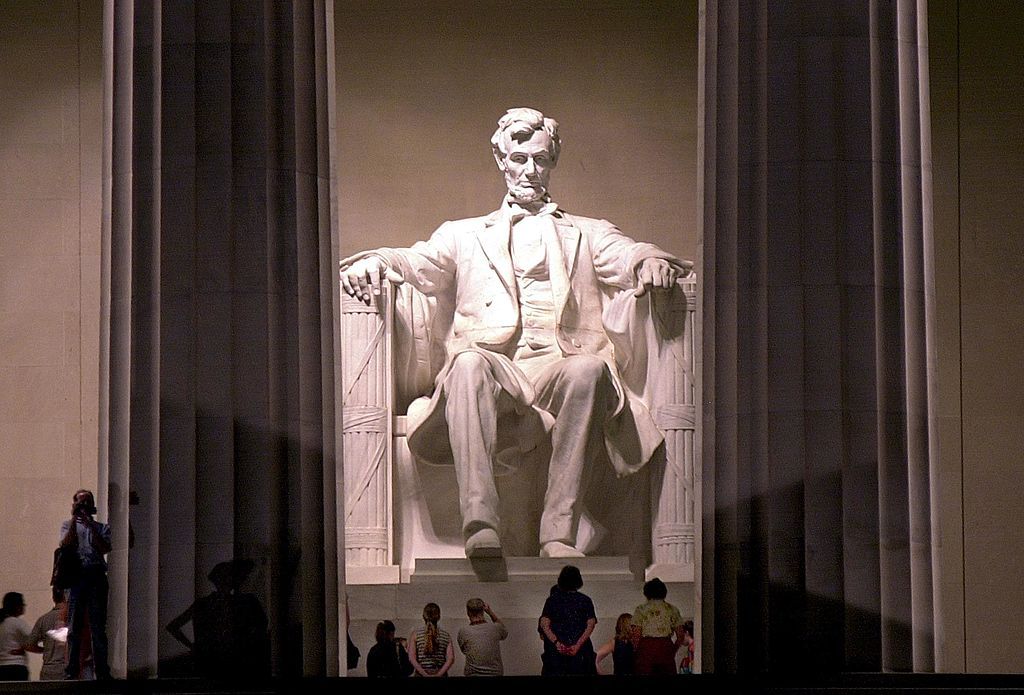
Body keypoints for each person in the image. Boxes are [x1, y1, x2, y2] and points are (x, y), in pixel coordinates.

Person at [340, 107, 692, 559]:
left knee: (588, 371)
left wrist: (650, 262)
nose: (530, 170)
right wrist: (379, 261)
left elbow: (628, 255)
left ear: (552, 163)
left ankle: (557, 535)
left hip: (559, 369)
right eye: (520, 158)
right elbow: (418, 263)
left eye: (540, 160)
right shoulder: (463, 234)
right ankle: (481, 524)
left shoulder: (588, 233)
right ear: (502, 160)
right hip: (494, 370)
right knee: (466, 364)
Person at [165, 559, 269, 679]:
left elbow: (173, 626)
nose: (226, 582)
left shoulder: (207, 603)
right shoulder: (243, 602)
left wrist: (193, 647)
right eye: (224, 579)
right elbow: (173, 626)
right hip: (223, 662)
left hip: (221, 661)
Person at [60, 489, 112, 680]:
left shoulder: (101, 527)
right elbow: (65, 544)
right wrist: (75, 519)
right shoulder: (67, 525)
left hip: (96, 575)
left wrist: (90, 525)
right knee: (74, 626)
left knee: (98, 626)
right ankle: (71, 670)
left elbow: (105, 548)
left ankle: (102, 671)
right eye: (80, 502)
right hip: (76, 576)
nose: (84, 506)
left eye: (87, 502)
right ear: (74, 504)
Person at [539, 565, 597, 675]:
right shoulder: (585, 600)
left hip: (556, 655)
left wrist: (557, 643)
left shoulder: (552, 600)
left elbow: (544, 624)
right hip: (581, 653)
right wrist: (578, 645)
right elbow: (591, 625)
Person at [631, 578, 685, 675]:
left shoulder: (641, 609)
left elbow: (636, 634)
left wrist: (636, 650)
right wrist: (673, 649)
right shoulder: (672, 609)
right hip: (665, 646)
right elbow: (680, 635)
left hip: (646, 648)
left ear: (646, 593)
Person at [457, 598, 508, 676]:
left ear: (468, 613)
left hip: (473, 674)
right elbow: (504, 632)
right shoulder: (495, 628)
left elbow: (464, 651)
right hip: (495, 673)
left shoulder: (463, 631)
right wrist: (490, 613)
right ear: (483, 611)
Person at [25, 588, 68, 680]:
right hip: (65, 667)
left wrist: (46, 650)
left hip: (48, 669)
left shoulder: (43, 619)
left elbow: (29, 645)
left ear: (53, 598)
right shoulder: (71, 618)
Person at [409, 603, 453, 677]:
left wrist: (424, 674)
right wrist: (439, 674)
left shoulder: (415, 635)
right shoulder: (446, 636)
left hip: (420, 674)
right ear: (439, 617)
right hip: (440, 674)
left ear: (423, 617)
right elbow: (450, 659)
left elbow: (411, 658)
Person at [0, 592, 30, 681]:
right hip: (17, 667)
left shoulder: (1, 622)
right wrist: (25, 647)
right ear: (18, 607)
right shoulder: (17, 622)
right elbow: (34, 637)